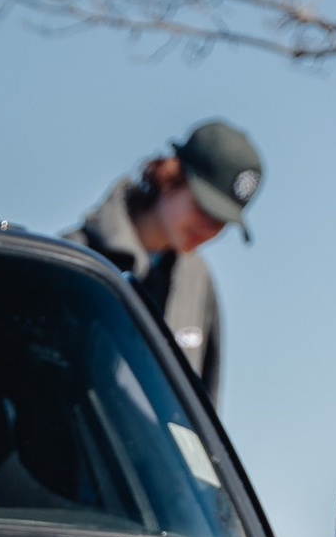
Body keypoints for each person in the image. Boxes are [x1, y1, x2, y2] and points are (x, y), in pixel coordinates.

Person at [71, 119, 263, 404]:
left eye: (222, 222)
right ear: (170, 176)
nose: (209, 229)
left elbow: (203, 403)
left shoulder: (198, 281)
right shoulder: (77, 259)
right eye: (205, 208)